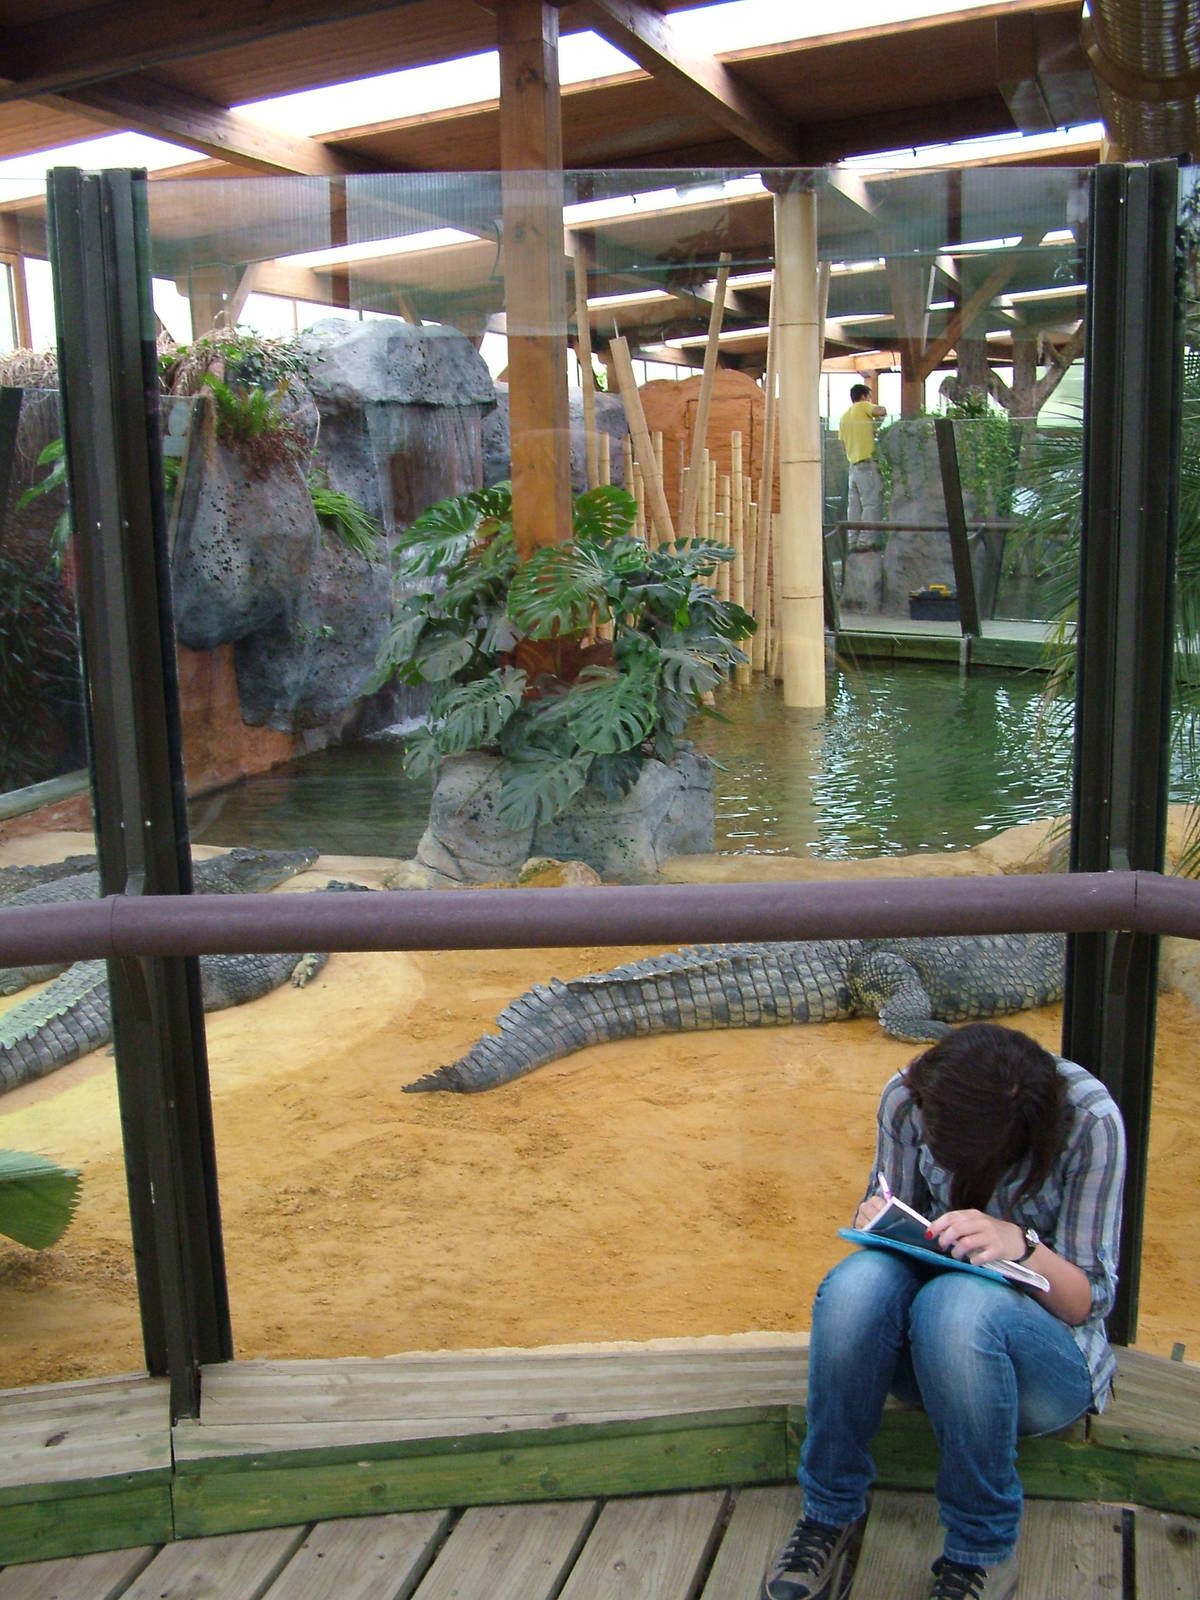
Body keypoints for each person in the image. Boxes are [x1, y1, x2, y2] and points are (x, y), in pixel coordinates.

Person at [760, 1022, 1125, 1600]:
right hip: (927, 1356)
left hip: (1039, 1372)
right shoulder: (912, 1096)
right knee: (856, 1286)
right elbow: (891, 1221)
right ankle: (828, 1511)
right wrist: (876, 1220)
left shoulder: (1090, 1123)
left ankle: (981, 1550)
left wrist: (1019, 1244)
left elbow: (1087, 1302)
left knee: (955, 1305)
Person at [838, 382, 887, 550]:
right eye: (870, 397)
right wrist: (881, 416)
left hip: (853, 466)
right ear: (864, 396)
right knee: (871, 503)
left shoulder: (844, 417)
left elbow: (843, 444)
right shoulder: (862, 406)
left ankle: (852, 540)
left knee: (854, 507)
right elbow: (880, 411)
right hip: (867, 462)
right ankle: (865, 541)